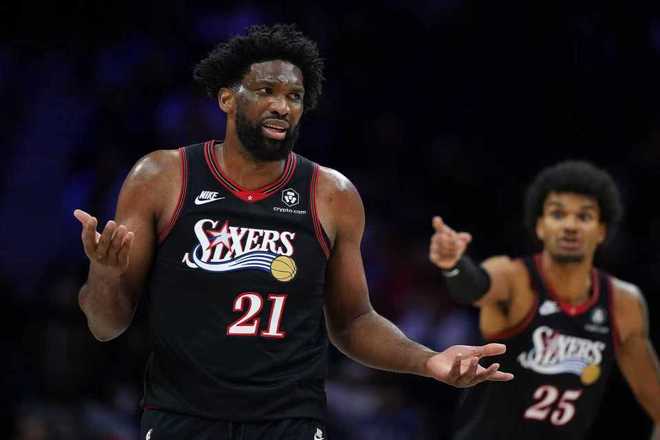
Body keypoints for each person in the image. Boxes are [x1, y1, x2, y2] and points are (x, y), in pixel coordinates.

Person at [73, 24, 512, 439]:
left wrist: (430, 361)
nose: (282, 106)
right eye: (266, 91)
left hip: (288, 422)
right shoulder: (163, 176)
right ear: (227, 98)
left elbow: (353, 321)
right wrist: (105, 273)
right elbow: (106, 326)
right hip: (182, 417)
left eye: (294, 96)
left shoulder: (332, 194)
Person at [429, 160, 660, 439]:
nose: (570, 226)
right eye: (558, 214)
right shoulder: (514, 278)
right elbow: (475, 287)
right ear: (540, 226)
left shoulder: (622, 303)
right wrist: (454, 265)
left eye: (584, 216)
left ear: (601, 230)